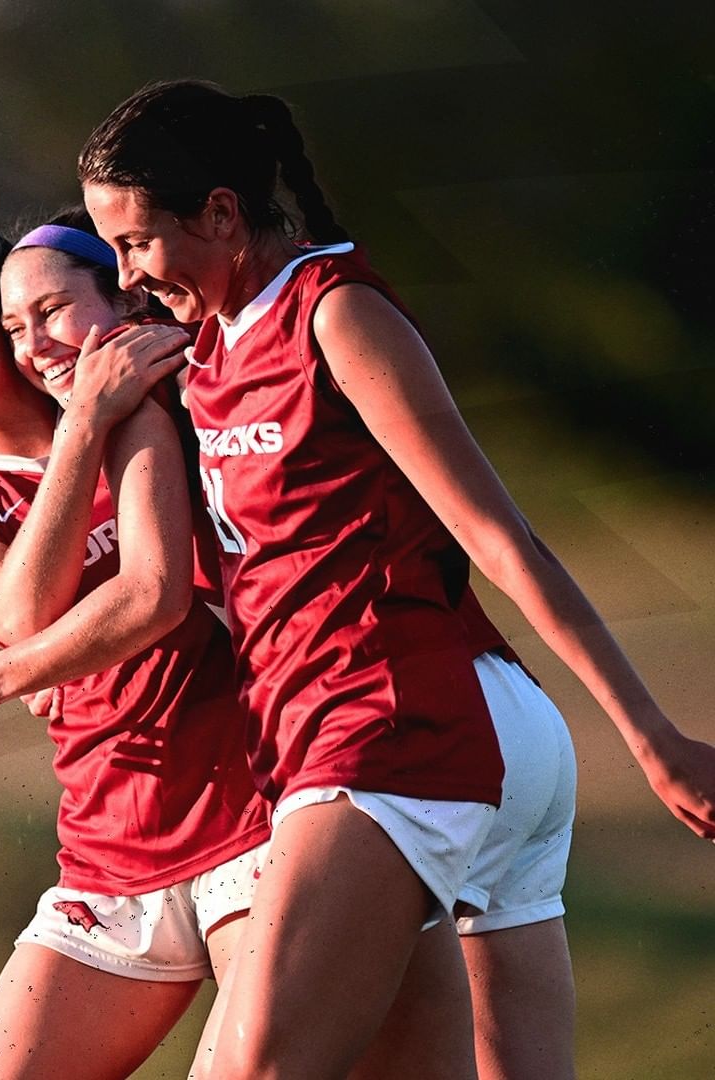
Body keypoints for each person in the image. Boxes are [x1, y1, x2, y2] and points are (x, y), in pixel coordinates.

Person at [68, 79, 715, 1079]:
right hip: (393, 735)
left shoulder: (336, 314)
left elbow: (501, 539)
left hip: (392, 726)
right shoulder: (202, 355)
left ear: (224, 213)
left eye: (138, 242)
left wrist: (652, 737)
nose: (127, 275)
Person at [0, 206, 272, 1080]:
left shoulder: (157, 408)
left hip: (257, 820)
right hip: (110, 852)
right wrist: (83, 424)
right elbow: (20, 616)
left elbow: (159, 598)